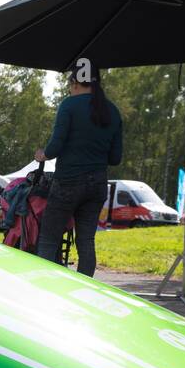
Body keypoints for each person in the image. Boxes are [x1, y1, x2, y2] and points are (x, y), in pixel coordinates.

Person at [34, 61, 123, 276]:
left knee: (49, 238)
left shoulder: (69, 106)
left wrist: (41, 155)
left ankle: (42, 288)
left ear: (75, 82)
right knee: (86, 241)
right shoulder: (112, 111)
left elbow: (55, 147)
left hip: (68, 181)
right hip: (97, 185)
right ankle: (86, 293)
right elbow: (115, 158)